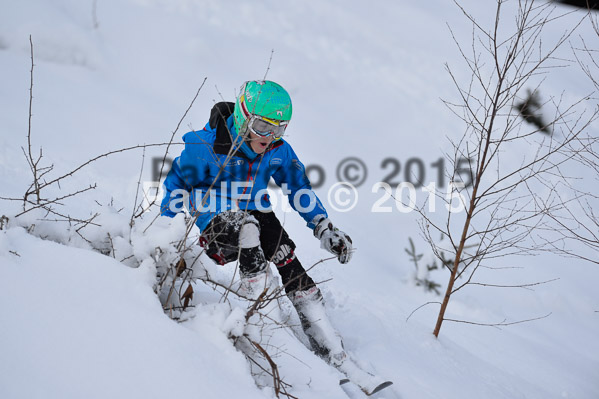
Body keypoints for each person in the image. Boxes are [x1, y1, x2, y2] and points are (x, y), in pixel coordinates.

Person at [160, 80, 353, 367]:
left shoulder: (276, 150)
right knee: (248, 227)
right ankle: (265, 313)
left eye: (278, 129)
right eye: (263, 127)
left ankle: (322, 332)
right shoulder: (204, 147)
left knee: (281, 248)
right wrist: (166, 229)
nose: (269, 137)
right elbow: (176, 182)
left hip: (252, 209)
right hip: (215, 216)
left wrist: (322, 226)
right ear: (242, 117)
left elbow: (297, 188)